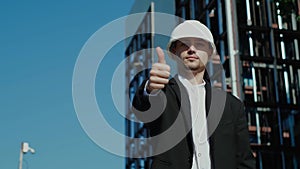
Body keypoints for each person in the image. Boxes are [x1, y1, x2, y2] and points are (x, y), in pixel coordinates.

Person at [132, 20, 255, 169]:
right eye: (184, 44)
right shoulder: (162, 93)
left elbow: (244, 160)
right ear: (173, 52)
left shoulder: (231, 105)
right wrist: (150, 88)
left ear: (210, 53)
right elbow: (141, 110)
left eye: (200, 44)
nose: (191, 49)